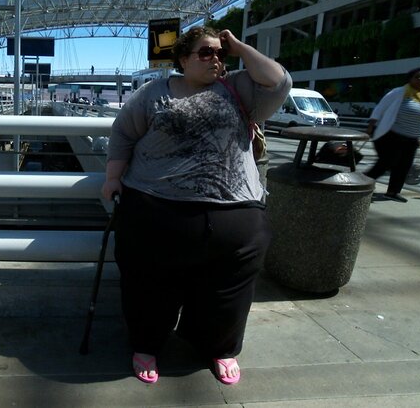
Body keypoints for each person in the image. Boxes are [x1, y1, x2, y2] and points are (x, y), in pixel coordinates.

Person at [102, 26, 291, 385]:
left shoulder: (239, 87)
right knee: (148, 285)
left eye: (220, 53)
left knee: (229, 290)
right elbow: (123, 133)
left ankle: (219, 346)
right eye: (206, 52)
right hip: (156, 205)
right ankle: (147, 342)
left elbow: (279, 82)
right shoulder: (152, 93)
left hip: (235, 208)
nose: (215, 59)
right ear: (183, 59)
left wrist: (239, 47)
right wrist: (112, 178)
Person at [364, 68, 420, 203]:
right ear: (410, 78)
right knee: (386, 162)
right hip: (391, 135)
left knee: (404, 166)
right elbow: (380, 108)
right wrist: (371, 127)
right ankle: (361, 183)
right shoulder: (399, 92)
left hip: (412, 138)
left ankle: (393, 192)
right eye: (417, 76)